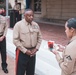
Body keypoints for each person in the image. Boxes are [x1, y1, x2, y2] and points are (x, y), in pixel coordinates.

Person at [13, 9, 42, 75]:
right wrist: (25, 51)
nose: (31, 17)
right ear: (24, 16)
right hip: (22, 53)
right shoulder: (18, 25)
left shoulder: (36, 25)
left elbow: (40, 37)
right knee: (20, 72)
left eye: (32, 15)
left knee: (31, 72)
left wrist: (36, 48)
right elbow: (15, 40)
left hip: (32, 53)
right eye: (29, 16)